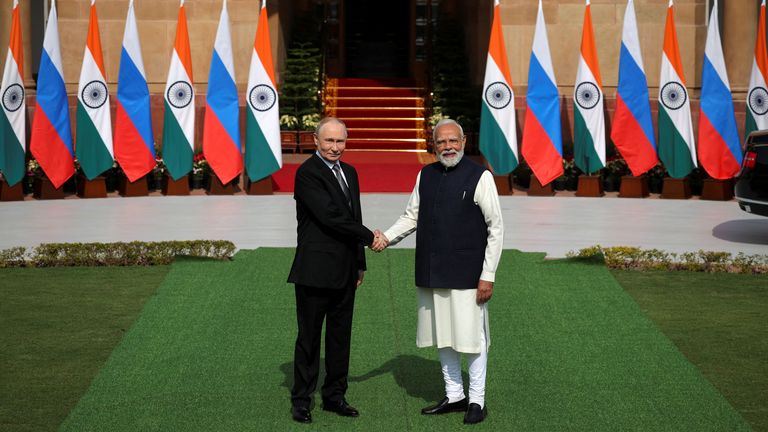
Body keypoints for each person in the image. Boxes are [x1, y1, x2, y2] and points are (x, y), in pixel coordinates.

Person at [375, 118, 504, 425]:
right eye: (441, 142)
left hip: (469, 276)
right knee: (443, 336)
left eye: (453, 141)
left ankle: (477, 400)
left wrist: (488, 275)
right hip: (432, 272)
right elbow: (411, 217)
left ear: (463, 142)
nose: (448, 147)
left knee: (472, 339)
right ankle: (455, 395)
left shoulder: (480, 176)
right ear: (433, 146)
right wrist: (385, 238)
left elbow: (496, 228)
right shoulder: (426, 174)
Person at [287, 116, 386, 424]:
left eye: (340, 141)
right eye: (328, 141)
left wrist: (359, 263)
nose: (334, 147)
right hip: (315, 271)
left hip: (345, 271)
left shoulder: (350, 172)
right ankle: (301, 400)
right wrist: (371, 237)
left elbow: (353, 215)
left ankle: (334, 396)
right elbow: (330, 217)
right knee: (309, 338)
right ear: (316, 141)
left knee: (340, 337)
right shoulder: (307, 174)